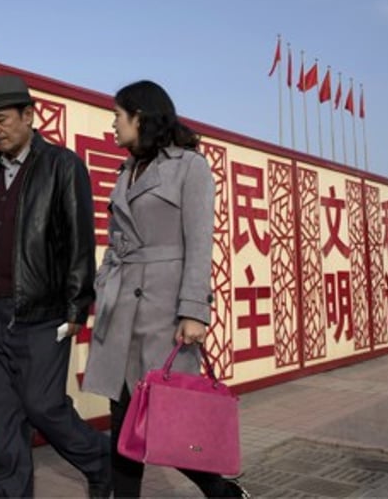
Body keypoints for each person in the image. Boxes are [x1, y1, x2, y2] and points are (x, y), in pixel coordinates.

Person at [82, 80, 249, 498]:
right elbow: (116, 240)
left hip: (163, 312)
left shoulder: (189, 166)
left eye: (118, 116)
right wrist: (104, 284)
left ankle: (222, 492)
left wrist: (194, 309)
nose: (113, 125)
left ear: (139, 117)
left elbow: (200, 240)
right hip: (121, 309)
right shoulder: (126, 170)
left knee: (167, 419)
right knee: (123, 420)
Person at [0, 74, 110, 498]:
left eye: (2, 119)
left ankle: (101, 461)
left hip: (42, 314)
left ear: (29, 115)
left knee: (43, 406)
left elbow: (81, 242)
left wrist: (76, 309)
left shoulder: (62, 166)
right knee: (2, 415)